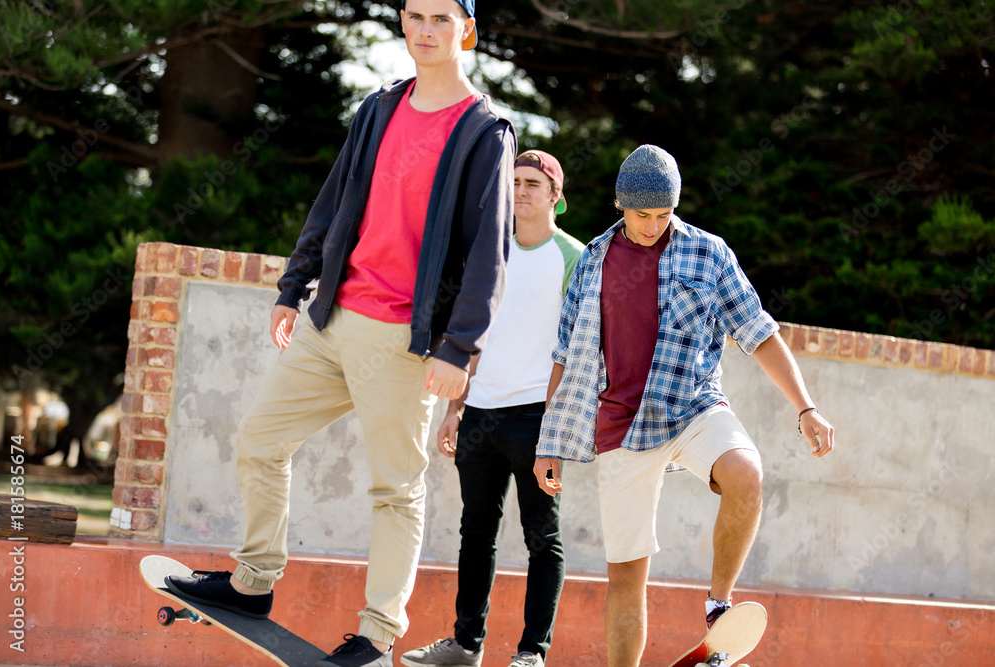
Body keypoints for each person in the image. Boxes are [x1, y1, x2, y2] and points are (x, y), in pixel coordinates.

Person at [164, 1, 516, 666]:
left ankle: (377, 636)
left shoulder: (483, 131)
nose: (426, 30)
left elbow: (488, 254)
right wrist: (293, 284)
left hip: (404, 338)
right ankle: (253, 581)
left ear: (467, 29)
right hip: (333, 318)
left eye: (442, 18)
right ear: (403, 21)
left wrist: (460, 347)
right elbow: (334, 201)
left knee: (396, 489)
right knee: (261, 438)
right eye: (415, 15)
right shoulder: (379, 107)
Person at [533, 145, 835, 667]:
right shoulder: (592, 262)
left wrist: (806, 407)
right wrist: (549, 442)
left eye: (664, 214)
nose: (653, 227)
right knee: (626, 574)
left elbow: (759, 332)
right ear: (619, 205)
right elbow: (564, 354)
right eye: (642, 215)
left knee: (746, 473)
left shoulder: (708, 253)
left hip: (693, 407)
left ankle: (719, 606)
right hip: (620, 427)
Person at [401, 151, 582, 667]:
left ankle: (531, 653)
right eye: (515, 182)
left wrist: (557, 427)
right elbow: (474, 336)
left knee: (542, 537)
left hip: (536, 418)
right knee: (475, 534)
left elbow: (579, 348)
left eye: (532, 184)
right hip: (479, 413)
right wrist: (455, 408)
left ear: (556, 197)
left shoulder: (574, 257)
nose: (520, 191)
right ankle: (465, 645)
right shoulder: (493, 254)